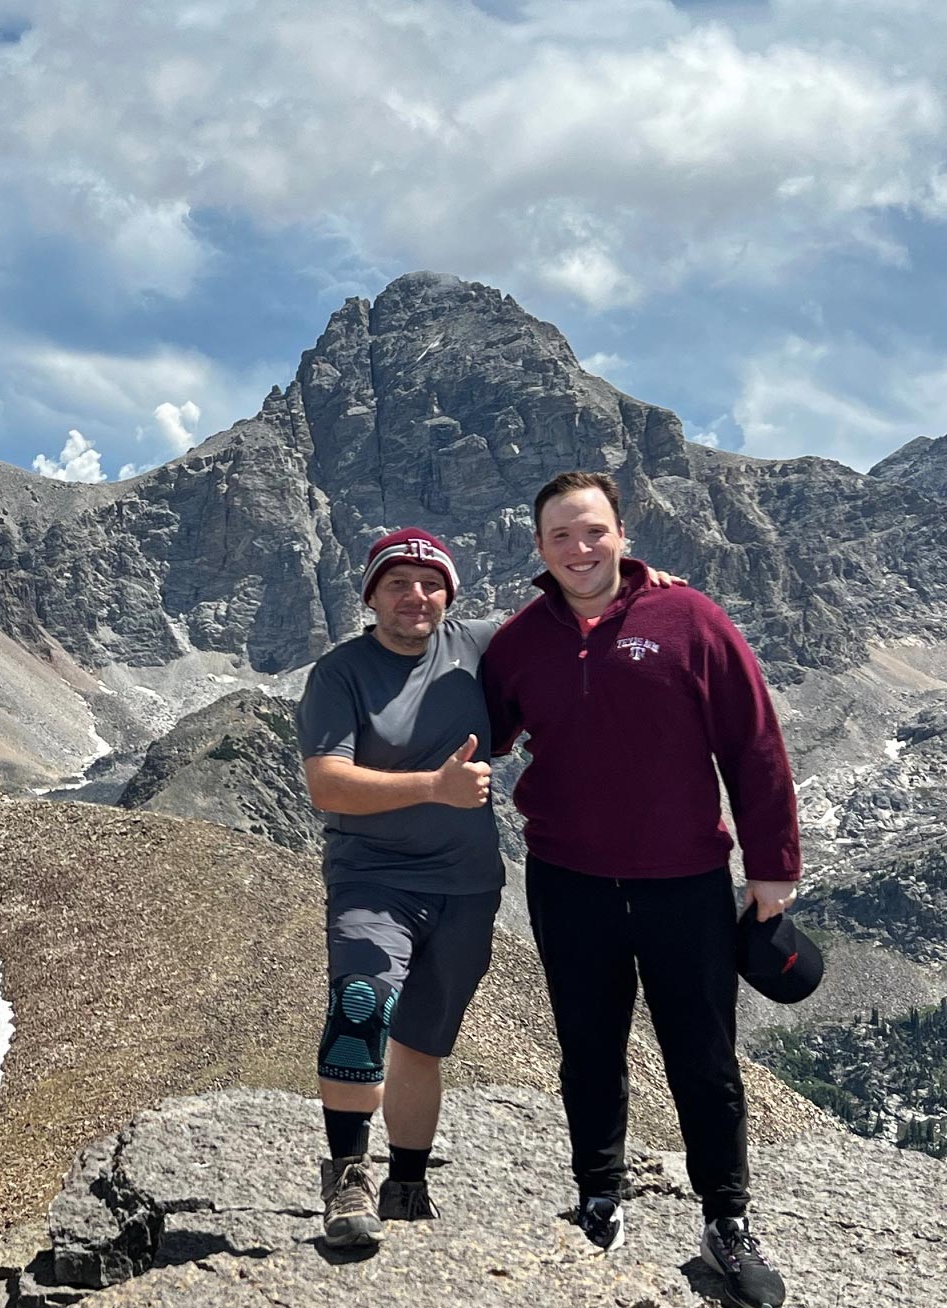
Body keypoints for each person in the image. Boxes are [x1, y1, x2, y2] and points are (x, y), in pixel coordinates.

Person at [481, 470, 799, 1308]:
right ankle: (597, 1193)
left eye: (592, 531)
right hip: (566, 880)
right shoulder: (517, 642)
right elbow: (475, 732)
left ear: (622, 533)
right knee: (587, 1048)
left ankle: (725, 1220)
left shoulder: (688, 618)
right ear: (538, 549)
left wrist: (772, 865)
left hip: (684, 880)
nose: (578, 549)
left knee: (702, 1057)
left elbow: (753, 742)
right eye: (560, 536)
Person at [295, 527, 500, 1248]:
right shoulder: (340, 673)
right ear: (371, 596)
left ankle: (406, 1182)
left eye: (429, 583)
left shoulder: (477, 646)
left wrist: (637, 577)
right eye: (396, 584)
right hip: (372, 879)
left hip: (468, 888)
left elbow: (575, 614)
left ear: (449, 591)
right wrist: (434, 788)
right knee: (360, 1007)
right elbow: (326, 783)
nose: (415, 597)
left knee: (421, 1041)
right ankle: (347, 1179)